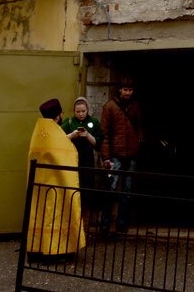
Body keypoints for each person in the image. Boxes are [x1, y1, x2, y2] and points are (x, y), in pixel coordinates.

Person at [26, 98, 86, 257]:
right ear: (58, 115)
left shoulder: (39, 132)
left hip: (39, 186)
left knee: (39, 215)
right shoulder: (55, 132)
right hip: (56, 185)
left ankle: (36, 249)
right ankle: (56, 251)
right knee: (55, 216)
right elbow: (68, 153)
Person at [99, 80, 144, 233]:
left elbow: (140, 127)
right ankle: (105, 224)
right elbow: (104, 133)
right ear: (120, 90)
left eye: (130, 90)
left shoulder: (136, 106)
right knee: (111, 188)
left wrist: (139, 143)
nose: (128, 93)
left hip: (131, 152)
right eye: (125, 89)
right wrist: (106, 157)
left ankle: (122, 224)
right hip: (115, 153)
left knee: (127, 190)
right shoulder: (110, 107)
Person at [61, 96, 103, 206]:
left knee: (87, 185)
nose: (81, 114)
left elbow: (98, 143)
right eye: (78, 112)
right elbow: (59, 138)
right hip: (72, 158)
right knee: (73, 184)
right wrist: (72, 135)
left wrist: (88, 135)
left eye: (83, 111)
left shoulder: (94, 122)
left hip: (87, 158)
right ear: (74, 111)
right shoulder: (69, 122)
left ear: (87, 110)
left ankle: (87, 210)